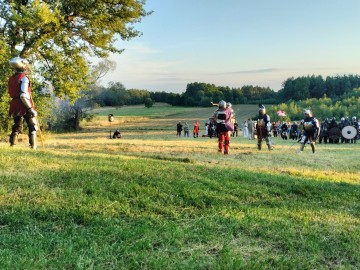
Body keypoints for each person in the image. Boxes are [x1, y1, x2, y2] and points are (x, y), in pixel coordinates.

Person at [8, 57, 38, 149]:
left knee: (17, 125)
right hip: (24, 104)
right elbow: (23, 95)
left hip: (14, 104)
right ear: (23, 66)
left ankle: (12, 145)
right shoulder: (24, 78)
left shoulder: (11, 78)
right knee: (32, 125)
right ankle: (33, 147)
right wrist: (30, 109)